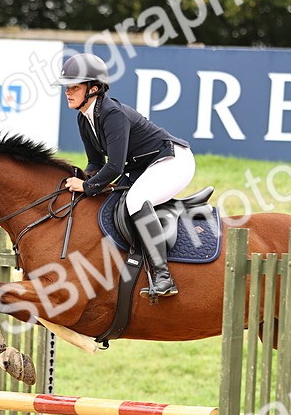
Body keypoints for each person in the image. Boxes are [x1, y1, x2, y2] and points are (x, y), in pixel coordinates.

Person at [57, 52, 194, 300]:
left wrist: (87, 186)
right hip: (143, 167)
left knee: (134, 201)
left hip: (173, 161)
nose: (68, 92)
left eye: (74, 87)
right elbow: (96, 162)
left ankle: (164, 276)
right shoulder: (83, 118)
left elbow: (115, 167)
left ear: (94, 88)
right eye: (67, 87)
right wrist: (80, 179)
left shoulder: (112, 114)